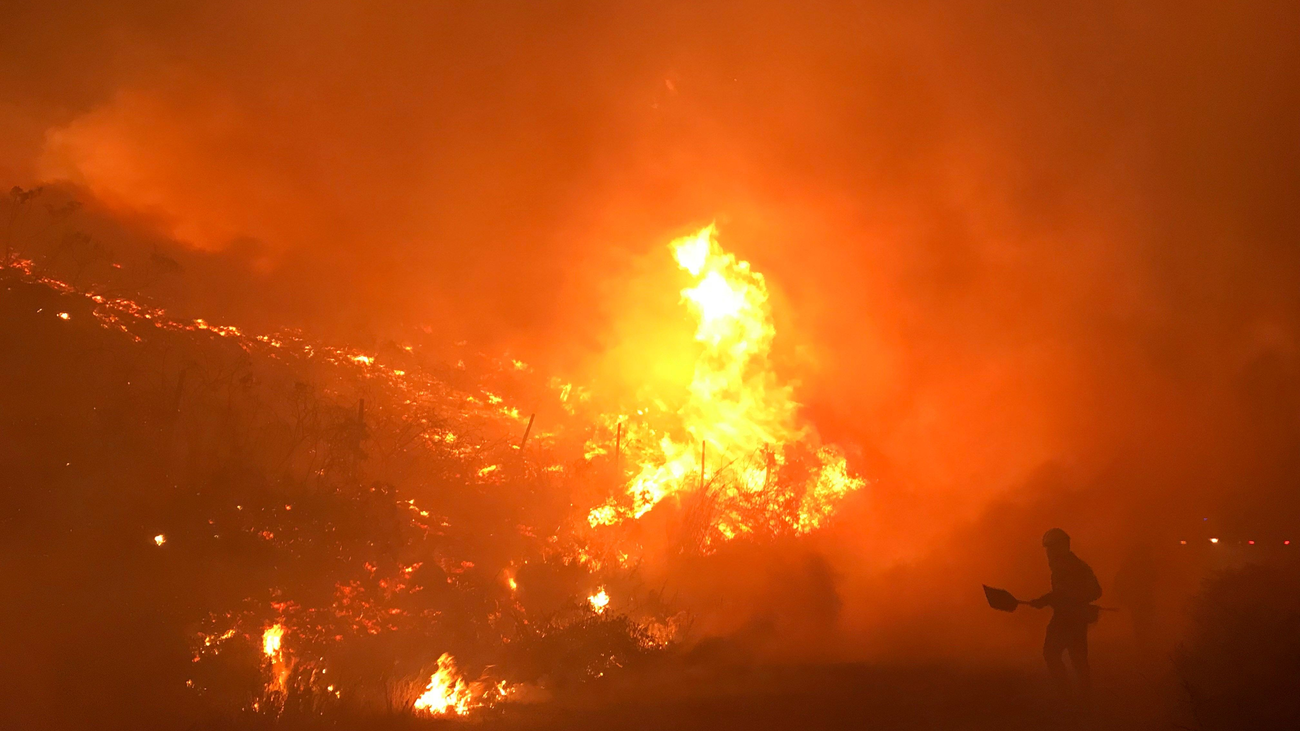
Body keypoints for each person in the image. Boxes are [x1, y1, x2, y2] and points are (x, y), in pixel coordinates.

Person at [1030, 528, 1102, 704]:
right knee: (1078, 659)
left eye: (1051, 548)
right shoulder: (1074, 565)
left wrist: (1045, 600)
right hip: (1074, 618)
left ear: (1061, 547)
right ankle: (1083, 699)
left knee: (1052, 653)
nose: (1048, 553)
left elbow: (1067, 593)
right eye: (1047, 549)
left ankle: (1067, 697)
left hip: (1067, 619)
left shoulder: (1067, 567)